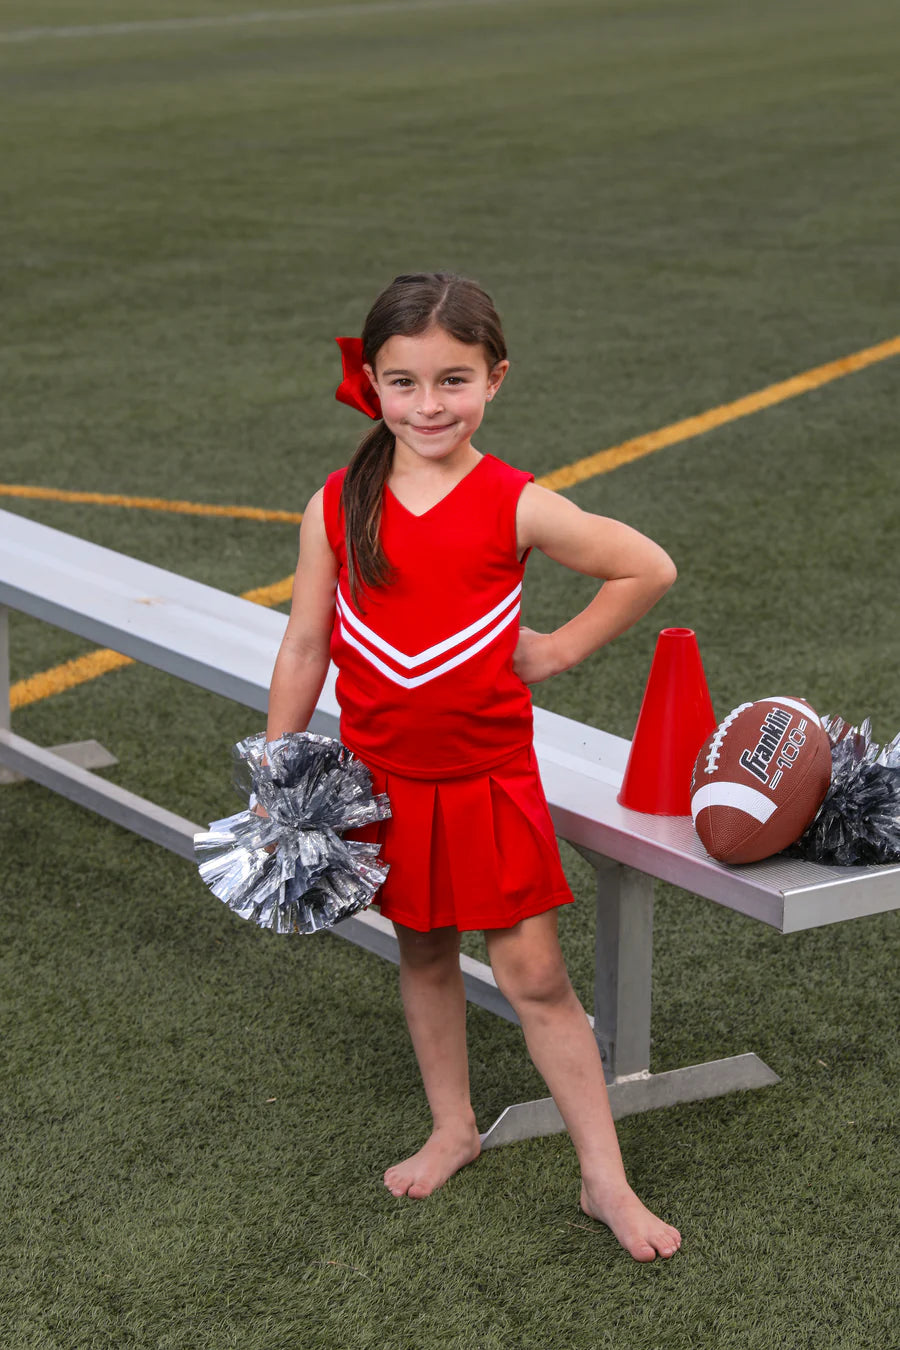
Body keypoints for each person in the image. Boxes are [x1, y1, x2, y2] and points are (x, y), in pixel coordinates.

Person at [265, 272, 682, 1261]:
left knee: (534, 974)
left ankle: (602, 1180)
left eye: (454, 380)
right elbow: (303, 644)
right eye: (404, 383)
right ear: (372, 384)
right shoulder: (336, 503)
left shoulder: (516, 502)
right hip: (382, 780)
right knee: (421, 948)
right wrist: (280, 762)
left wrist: (560, 649)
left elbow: (646, 566)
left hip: (488, 780)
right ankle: (453, 1125)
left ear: (496, 379)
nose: (429, 405)